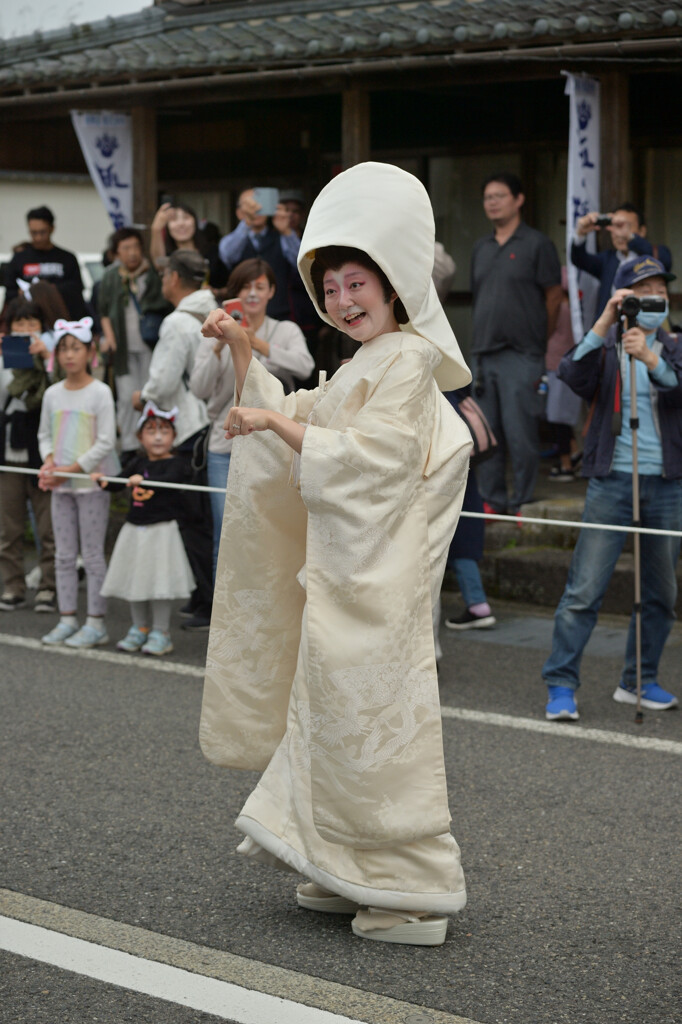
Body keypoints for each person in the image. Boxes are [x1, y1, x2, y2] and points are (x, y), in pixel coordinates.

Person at [200, 162, 473, 947]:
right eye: (333, 287)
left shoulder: (411, 361)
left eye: (358, 283)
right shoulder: (369, 360)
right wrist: (245, 347)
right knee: (330, 717)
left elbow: (377, 460)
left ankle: (413, 890)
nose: (344, 300)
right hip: (352, 575)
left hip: (378, 583)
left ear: (393, 287)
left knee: (373, 725)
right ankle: (339, 863)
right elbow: (303, 409)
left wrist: (281, 431)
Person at [543, 255, 682, 721]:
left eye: (660, 292)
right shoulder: (606, 347)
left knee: (661, 592)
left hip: (666, 484)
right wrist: (604, 321)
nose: (654, 300)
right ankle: (561, 684)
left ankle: (638, 680)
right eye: (643, 292)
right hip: (612, 480)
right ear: (625, 299)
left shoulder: (675, 344)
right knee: (584, 589)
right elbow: (570, 373)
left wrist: (652, 358)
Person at [190, 257, 314, 576]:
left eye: (260, 286)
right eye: (245, 287)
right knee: (225, 534)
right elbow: (198, 389)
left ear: (272, 291)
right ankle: (221, 619)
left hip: (273, 444)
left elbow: (305, 366)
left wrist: (252, 342)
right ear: (234, 294)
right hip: (223, 445)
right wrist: (222, 347)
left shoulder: (284, 330)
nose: (252, 294)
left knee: (268, 532)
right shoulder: (215, 331)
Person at [133, 249, 216, 632]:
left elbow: (164, 382)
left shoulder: (177, 322)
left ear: (176, 278)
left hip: (186, 429)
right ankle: (204, 595)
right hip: (212, 424)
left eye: (165, 274)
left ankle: (206, 599)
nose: (162, 280)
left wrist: (143, 396)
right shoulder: (212, 311)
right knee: (205, 515)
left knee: (190, 518)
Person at [470, 172, 562, 515]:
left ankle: (522, 501)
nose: (492, 202)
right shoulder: (480, 247)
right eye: (487, 197)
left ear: (519, 199)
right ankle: (492, 500)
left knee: (520, 432)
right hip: (483, 354)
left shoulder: (537, 244)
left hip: (522, 354)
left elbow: (554, 298)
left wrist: (539, 339)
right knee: (485, 433)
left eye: (500, 195)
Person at [37, 317, 118, 648]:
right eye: (64, 349)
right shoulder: (52, 394)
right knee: (64, 555)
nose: (70, 355)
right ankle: (67, 617)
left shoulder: (100, 392)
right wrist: (48, 461)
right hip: (60, 485)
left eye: (76, 348)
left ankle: (96, 622)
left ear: (90, 351)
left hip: (90, 486)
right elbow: (44, 434)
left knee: (93, 555)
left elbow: (106, 441)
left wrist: (70, 468)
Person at [97, 402, 195, 657]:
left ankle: (161, 632)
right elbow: (117, 484)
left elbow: (171, 482)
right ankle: (139, 628)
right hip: (134, 530)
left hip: (162, 532)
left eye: (165, 431)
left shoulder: (177, 464)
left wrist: (145, 481)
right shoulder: (137, 463)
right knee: (135, 580)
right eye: (151, 431)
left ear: (174, 436)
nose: (159, 437)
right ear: (140, 437)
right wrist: (104, 481)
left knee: (159, 582)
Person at [0, 297, 56, 613]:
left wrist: (47, 358)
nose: (24, 330)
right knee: (9, 529)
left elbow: (60, 392)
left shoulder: (54, 356)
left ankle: (48, 587)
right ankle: (13, 586)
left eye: (31, 324)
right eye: (18, 324)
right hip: (8, 453)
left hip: (41, 454)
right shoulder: (4, 357)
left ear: (42, 327)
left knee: (48, 528)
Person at [98, 227, 171, 456]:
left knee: (151, 395)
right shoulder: (111, 276)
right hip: (123, 350)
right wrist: (109, 337)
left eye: (135, 247)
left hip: (150, 344)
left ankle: (156, 443)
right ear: (116, 252)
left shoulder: (152, 273)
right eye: (125, 248)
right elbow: (103, 311)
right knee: (127, 397)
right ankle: (130, 447)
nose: (132, 253)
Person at [571, 203, 672, 317]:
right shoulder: (607, 259)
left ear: (642, 231)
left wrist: (630, 237)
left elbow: (665, 260)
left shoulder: (653, 255)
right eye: (615, 226)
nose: (619, 233)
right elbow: (579, 259)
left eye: (625, 226)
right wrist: (580, 234)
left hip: (644, 327)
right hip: (610, 329)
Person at [218, 189, 300, 320]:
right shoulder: (235, 239)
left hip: (278, 313)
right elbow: (227, 256)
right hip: (242, 315)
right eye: (249, 205)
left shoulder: (282, 237)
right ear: (239, 212)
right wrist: (246, 223)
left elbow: (301, 263)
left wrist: (286, 231)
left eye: (260, 204)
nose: (256, 208)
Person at [3, 206, 87, 318]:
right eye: (33, 233)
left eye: (42, 232)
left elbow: (76, 290)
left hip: (60, 321)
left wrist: (47, 290)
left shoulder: (67, 258)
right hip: (29, 321)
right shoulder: (19, 259)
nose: (38, 238)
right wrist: (20, 294)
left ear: (52, 228)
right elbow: (9, 293)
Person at [545, 266, 582, 482]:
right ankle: (575, 453)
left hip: (555, 365)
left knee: (556, 417)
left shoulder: (557, 308)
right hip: (568, 366)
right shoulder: (575, 309)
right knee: (565, 416)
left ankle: (566, 465)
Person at [150, 201, 227, 291]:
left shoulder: (212, 251)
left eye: (186, 218)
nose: (181, 224)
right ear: (167, 226)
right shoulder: (168, 256)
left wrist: (214, 292)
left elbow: (228, 286)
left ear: (195, 221)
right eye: (174, 220)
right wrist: (156, 229)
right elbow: (158, 263)